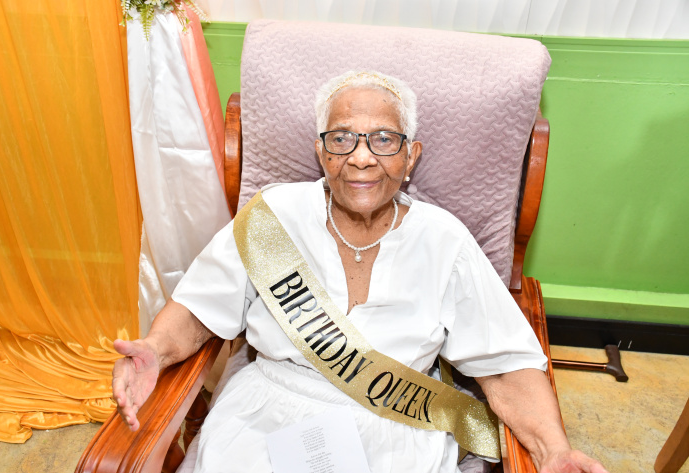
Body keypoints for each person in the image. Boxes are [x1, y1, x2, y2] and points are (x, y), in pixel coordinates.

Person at [112, 71, 608, 473]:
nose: (362, 157)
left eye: (384, 140)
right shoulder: (273, 216)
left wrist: (552, 452)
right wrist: (156, 349)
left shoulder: (444, 239)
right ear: (321, 152)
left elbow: (505, 367)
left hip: (398, 429)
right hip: (267, 415)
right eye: (343, 138)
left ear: (411, 155)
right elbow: (198, 310)